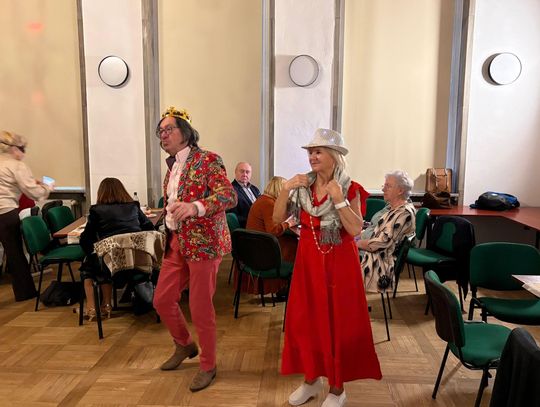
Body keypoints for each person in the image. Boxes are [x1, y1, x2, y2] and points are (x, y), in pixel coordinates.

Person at [273, 128, 381, 407]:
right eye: (310, 152)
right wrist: (285, 189)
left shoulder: (351, 187)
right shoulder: (303, 188)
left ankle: (337, 388)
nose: (312, 156)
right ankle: (311, 380)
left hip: (339, 263)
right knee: (307, 321)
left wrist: (339, 199)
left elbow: (355, 229)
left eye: (318, 151)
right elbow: (276, 218)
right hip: (308, 261)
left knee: (337, 322)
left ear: (334, 156)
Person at [152, 106, 237, 392]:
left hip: (204, 244)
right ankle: (185, 344)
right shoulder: (172, 167)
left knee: (200, 308)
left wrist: (195, 207)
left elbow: (228, 196)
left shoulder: (208, 160)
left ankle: (208, 364)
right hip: (176, 242)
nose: (163, 135)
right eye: (160, 131)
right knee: (162, 300)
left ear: (186, 132)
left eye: (168, 129)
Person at [78, 177, 154, 320]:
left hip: (110, 265)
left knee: (88, 268)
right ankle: (106, 305)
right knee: (102, 261)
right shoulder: (133, 206)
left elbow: (86, 239)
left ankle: (94, 308)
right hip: (136, 262)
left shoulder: (96, 210)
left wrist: (91, 252)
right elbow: (149, 228)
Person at [0, 130, 52, 301]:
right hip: (5, 214)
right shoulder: (16, 166)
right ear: (15, 149)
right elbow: (34, 193)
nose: (24, 153)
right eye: (23, 149)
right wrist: (47, 187)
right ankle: (25, 293)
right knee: (15, 255)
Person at [357, 170, 416, 294]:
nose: (383, 189)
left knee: (336, 261)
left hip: (378, 263)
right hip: (370, 253)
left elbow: (379, 244)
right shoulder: (393, 209)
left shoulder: (403, 213)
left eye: (388, 186)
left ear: (400, 190)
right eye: (384, 185)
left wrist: (355, 242)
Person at [242, 176, 298, 295]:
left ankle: (288, 286)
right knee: (295, 246)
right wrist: (289, 223)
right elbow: (273, 230)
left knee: (292, 241)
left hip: (254, 245)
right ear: (280, 189)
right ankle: (285, 287)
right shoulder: (268, 204)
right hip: (261, 251)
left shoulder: (264, 199)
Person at [227, 162, 260, 227]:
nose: (245, 174)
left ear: (251, 174)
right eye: (242, 171)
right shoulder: (230, 190)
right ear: (235, 172)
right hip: (247, 226)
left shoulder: (255, 189)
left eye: (247, 172)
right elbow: (233, 216)